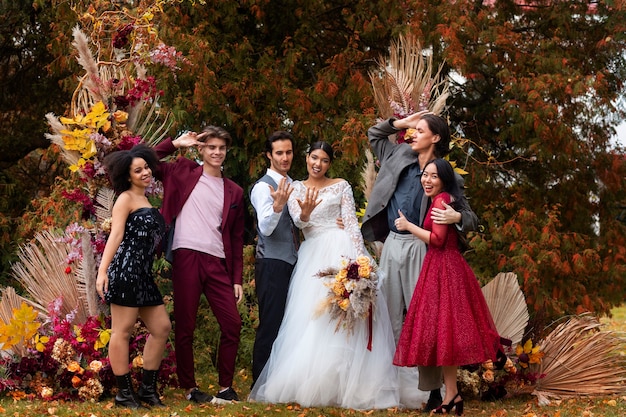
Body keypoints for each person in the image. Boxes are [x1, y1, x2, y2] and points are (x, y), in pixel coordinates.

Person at [249, 141, 401, 409]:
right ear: (307, 159)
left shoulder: (341, 185)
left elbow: (352, 224)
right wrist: (305, 214)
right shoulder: (295, 187)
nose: (318, 164)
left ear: (330, 164)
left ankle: (348, 381)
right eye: (313, 158)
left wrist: (362, 260)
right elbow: (299, 221)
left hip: (341, 249)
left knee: (347, 314)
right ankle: (314, 381)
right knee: (312, 318)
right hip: (312, 256)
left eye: (324, 160)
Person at [361, 111, 478, 411]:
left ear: (435, 138)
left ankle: (435, 391)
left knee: (427, 320)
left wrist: (457, 217)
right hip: (390, 244)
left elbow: (472, 217)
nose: (413, 134)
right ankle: (385, 383)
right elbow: (374, 133)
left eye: (421, 130)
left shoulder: (444, 174)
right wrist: (403, 123)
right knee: (388, 317)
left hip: (423, 247)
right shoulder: (397, 152)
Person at [393, 158, 502, 415]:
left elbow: (438, 240)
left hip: (445, 267)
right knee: (445, 335)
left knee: (445, 331)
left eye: (433, 176)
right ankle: (451, 394)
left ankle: (451, 395)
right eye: (424, 175)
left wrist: (409, 227)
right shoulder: (438, 199)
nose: (426, 180)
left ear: (443, 179)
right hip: (440, 266)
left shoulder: (441, 200)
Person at [153, 126, 244, 404]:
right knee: (186, 326)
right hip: (186, 255)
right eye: (211, 147)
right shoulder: (182, 170)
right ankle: (190, 388)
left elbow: (236, 237)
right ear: (202, 150)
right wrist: (176, 144)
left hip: (217, 262)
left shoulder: (235, 191)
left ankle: (226, 387)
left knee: (232, 324)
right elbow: (146, 160)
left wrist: (237, 278)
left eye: (221, 148)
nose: (217, 152)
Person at [96, 144, 172, 409]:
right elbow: (115, 235)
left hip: (143, 274)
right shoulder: (126, 198)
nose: (145, 173)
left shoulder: (147, 200)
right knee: (122, 331)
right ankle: (124, 394)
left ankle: (148, 391)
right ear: (128, 176)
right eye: (138, 170)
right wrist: (102, 271)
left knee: (161, 328)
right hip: (126, 271)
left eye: (146, 168)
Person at [249, 131, 298, 386]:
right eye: (279, 153)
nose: (285, 157)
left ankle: (281, 380)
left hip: (293, 261)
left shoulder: (295, 184)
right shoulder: (262, 186)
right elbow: (266, 229)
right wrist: (278, 206)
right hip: (271, 262)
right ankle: (260, 382)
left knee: (289, 323)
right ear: (269, 155)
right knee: (270, 322)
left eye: (288, 152)